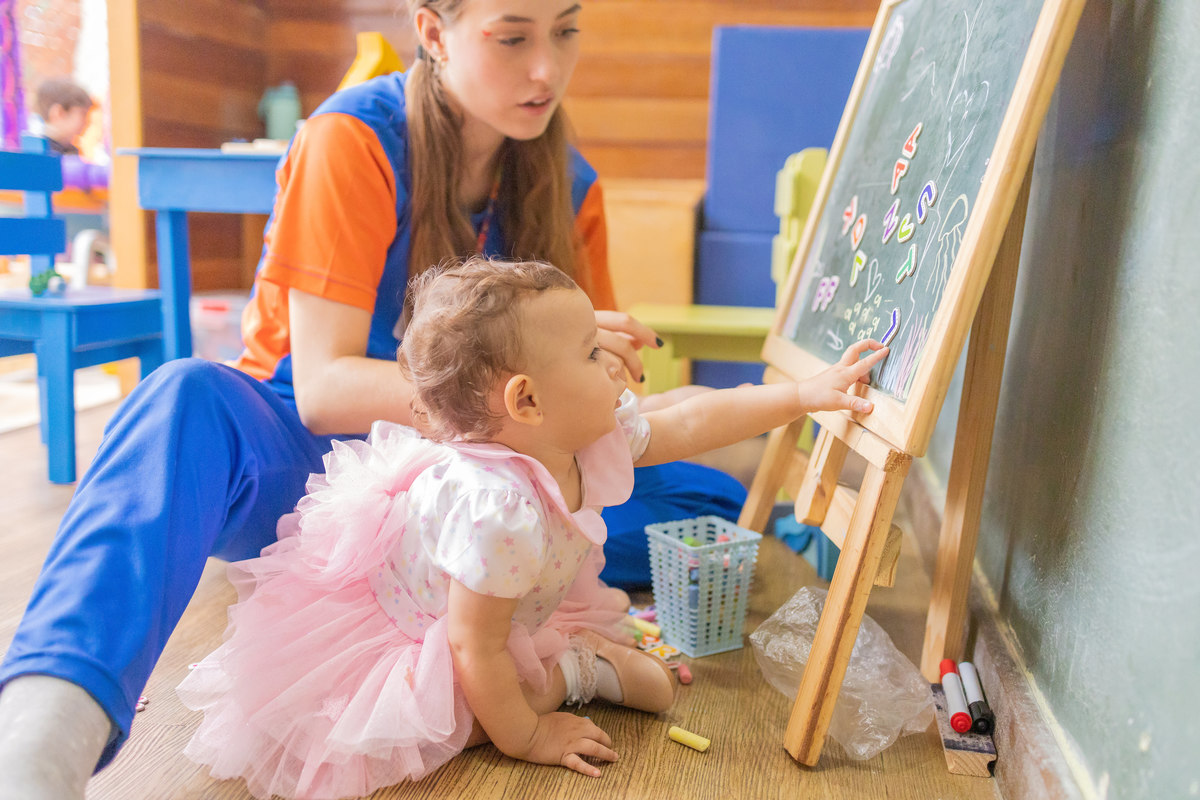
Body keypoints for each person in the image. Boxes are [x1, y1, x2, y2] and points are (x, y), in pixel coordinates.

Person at [0, 2, 746, 797]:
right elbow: (323, 391)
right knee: (183, 401)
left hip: (484, 476)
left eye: (566, 31)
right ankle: (46, 737)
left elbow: (586, 413)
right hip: (323, 469)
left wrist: (595, 369)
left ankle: (487, 618)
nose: (546, 69)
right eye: (513, 36)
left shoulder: (570, 182)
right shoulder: (352, 138)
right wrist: (507, 402)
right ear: (432, 31)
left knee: (705, 498)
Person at [175, 256, 887, 799]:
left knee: (653, 688)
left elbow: (690, 419)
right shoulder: (498, 509)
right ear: (528, 400)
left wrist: (802, 395)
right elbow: (471, 645)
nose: (613, 365)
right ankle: (568, 671)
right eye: (589, 353)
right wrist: (530, 735)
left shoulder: (580, 434)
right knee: (461, 715)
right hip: (428, 637)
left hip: (501, 612)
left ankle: (576, 659)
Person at [32, 78, 94, 156]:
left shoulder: (71, 151)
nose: (87, 121)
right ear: (59, 113)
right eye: (83, 114)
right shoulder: (41, 153)